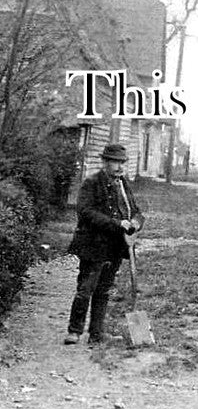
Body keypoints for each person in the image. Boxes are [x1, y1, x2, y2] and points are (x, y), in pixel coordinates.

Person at [65, 144, 144, 345]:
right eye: (115, 162)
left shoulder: (123, 184)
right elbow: (85, 212)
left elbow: (136, 211)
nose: (119, 167)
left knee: (103, 290)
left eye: (122, 163)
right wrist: (116, 224)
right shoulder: (91, 183)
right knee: (85, 289)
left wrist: (135, 222)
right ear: (105, 162)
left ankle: (96, 333)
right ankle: (74, 331)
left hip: (116, 247)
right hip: (93, 245)